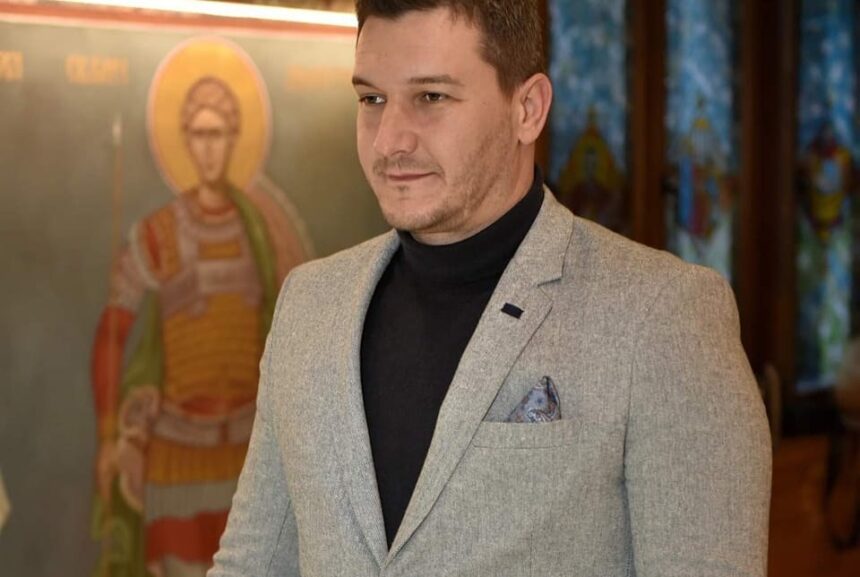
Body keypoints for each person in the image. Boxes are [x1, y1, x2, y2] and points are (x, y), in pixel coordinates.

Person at [210, 1, 772, 576]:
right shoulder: (309, 305)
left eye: (431, 97)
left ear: (528, 109)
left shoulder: (661, 315)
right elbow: (250, 565)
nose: (388, 142)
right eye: (372, 99)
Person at [91, 77, 307, 577]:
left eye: (219, 134)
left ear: (234, 139)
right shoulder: (159, 233)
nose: (209, 148)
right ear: (186, 141)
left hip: (251, 456)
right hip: (178, 456)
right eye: (200, 134)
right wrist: (109, 436)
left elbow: (298, 330)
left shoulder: (262, 230)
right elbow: (112, 332)